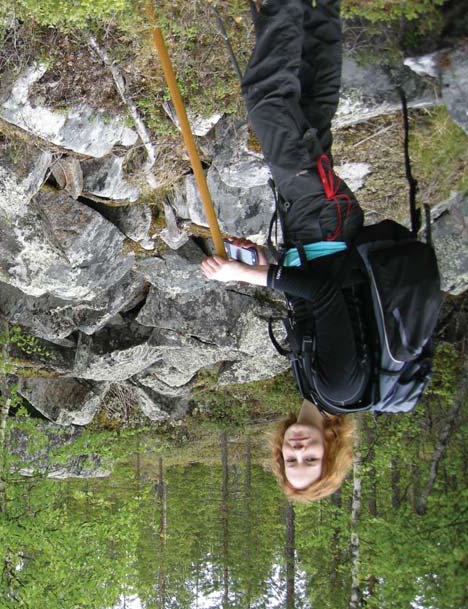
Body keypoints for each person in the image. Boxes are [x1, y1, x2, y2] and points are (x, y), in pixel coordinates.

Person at [200, 0, 364, 501]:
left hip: (315, 229)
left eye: (290, 459)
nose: (297, 450)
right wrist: (243, 277)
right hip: (320, 220)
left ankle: (322, 12)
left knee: (310, 110)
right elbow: (330, 295)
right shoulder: (337, 387)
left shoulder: (316, 392)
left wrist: (269, 263)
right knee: (268, 101)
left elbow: (311, 300)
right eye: (310, 459)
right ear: (331, 451)